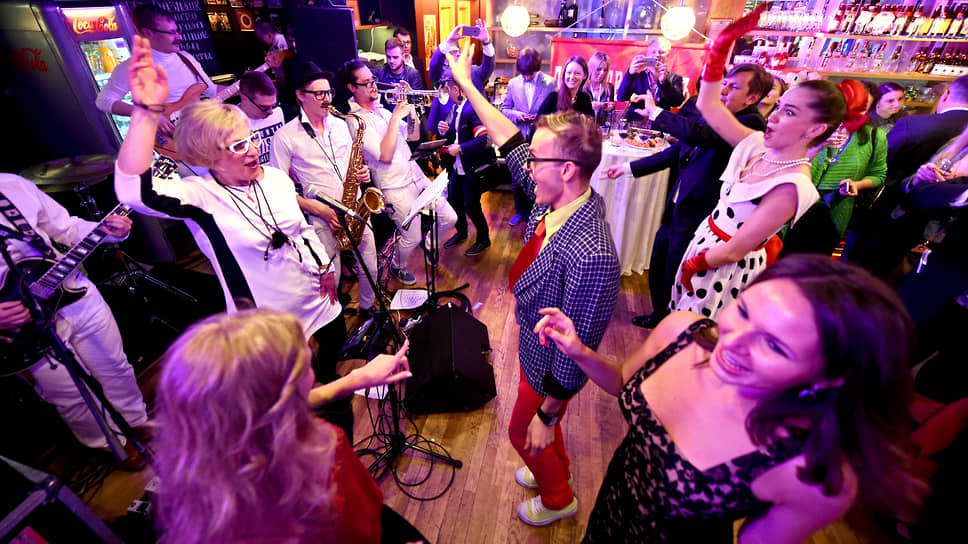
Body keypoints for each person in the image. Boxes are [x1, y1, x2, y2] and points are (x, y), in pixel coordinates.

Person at [533, 254, 926, 543]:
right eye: (745, 311)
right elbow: (624, 381)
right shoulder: (680, 333)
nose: (732, 342)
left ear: (828, 378)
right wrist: (580, 351)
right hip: (605, 520)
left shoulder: (809, 472)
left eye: (775, 345)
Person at [114, 36, 353, 440]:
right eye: (238, 145)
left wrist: (324, 266)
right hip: (268, 326)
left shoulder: (274, 178)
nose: (252, 150)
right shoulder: (199, 197)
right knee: (292, 413)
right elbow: (132, 192)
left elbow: (300, 231)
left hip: (319, 303)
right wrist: (146, 112)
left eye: (251, 138)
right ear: (209, 155)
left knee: (331, 385)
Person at [446, 41, 621, 526]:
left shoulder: (593, 254)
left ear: (566, 169)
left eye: (536, 160)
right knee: (539, 435)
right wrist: (467, 83)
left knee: (523, 433)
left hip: (550, 367)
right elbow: (509, 139)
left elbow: (578, 349)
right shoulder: (558, 198)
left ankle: (559, 498)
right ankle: (556, 467)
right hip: (533, 349)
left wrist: (548, 413)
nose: (525, 167)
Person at [154, 308, 426, 543]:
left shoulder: (191, 485)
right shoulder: (325, 451)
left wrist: (354, 380)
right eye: (305, 368)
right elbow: (365, 532)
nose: (312, 373)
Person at [668, 6, 836, 320]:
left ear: (816, 130)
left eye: (789, 112)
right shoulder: (757, 143)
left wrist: (694, 265)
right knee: (680, 322)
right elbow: (708, 104)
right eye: (779, 106)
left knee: (700, 333)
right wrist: (720, 49)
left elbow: (735, 249)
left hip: (723, 267)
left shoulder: (793, 184)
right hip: (704, 245)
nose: (773, 116)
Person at [604, 63, 773, 330]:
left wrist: (656, 112)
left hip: (701, 212)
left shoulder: (750, 124)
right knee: (659, 261)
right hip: (678, 202)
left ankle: (674, 327)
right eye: (724, 83)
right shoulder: (721, 115)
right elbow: (676, 151)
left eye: (733, 87)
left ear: (752, 98)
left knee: (677, 270)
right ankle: (660, 316)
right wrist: (627, 169)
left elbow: (699, 135)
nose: (723, 90)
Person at [0, 174, 148, 467]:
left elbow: (66, 227)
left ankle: (137, 420)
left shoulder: (10, 185)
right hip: (21, 327)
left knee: (115, 366)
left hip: (71, 289)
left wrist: (109, 231)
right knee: (71, 394)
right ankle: (109, 443)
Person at [270, 62, 378, 315]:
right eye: (319, 94)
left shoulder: (341, 124)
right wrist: (318, 209)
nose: (327, 99)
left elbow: (352, 163)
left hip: (355, 209)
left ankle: (368, 311)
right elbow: (279, 189)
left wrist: (362, 172)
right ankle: (333, 321)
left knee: (371, 268)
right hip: (322, 218)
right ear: (300, 95)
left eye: (329, 92)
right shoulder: (285, 137)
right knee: (332, 276)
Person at [340, 59, 458, 286]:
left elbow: (413, 135)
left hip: (416, 176)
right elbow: (384, 155)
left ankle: (430, 245)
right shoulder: (355, 121)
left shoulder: (383, 111)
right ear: (352, 87)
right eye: (366, 83)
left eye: (373, 80)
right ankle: (397, 265)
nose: (373, 86)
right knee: (411, 236)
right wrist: (396, 116)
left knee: (449, 216)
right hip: (394, 187)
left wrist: (411, 105)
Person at [95, 4, 217, 140]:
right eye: (171, 32)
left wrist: (236, 88)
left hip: (201, 135)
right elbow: (104, 101)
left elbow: (212, 91)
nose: (179, 37)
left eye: (178, 31)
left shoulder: (186, 58)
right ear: (148, 33)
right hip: (168, 141)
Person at [808, 79, 887, 238]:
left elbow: (878, 175)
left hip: (836, 208)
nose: (852, 113)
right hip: (798, 203)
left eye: (861, 108)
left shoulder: (874, 136)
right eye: (848, 105)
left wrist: (857, 184)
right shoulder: (812, 126)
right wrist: (817, 146)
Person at [439, 70, 495, 257]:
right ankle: (461, 232)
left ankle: (484, 240)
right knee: (454, 200)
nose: (447, 94)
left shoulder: (471, 109)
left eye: (448, 90)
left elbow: (484, 140)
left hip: (471, 168)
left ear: (456, 89)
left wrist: (460, 148)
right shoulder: (459, 108)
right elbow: (458, 134)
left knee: (472, 206)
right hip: (460, 166)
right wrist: (445, 131)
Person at [501, 48, 557, 226]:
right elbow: (504, 109)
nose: (526, 77)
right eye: (523, 74)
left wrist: (540, 119)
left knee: (539, 176)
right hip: (519, 137)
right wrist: (517, 115)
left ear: (537, 69)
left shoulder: (550, 83)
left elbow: (555, 112)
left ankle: (537, 213)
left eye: (530, 74)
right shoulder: (513, 83)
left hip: (541, 137)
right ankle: (520, 211)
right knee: (517, 177)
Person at [617, 38, 685, 122]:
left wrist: (664, 82)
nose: (657, 55)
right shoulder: (638, 77)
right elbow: (621, 97)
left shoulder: (674, 79)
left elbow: (677, 102)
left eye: (662, 52)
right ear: (647, 54)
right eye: (653, 52)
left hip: (659, 125)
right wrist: (630, 74)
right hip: (635, 124)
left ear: (668, 56)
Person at [428, 19, 495, 92]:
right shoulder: (441, 76)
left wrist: (486, 42)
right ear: (445, 61)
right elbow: (434, 65)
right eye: (452, 52)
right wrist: (448, 42)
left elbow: (488, 66)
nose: (458, 54)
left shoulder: (474, 71)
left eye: (458, 51)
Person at [238, 71, 285, 166]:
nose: (271, 112)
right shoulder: (230, 123)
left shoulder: (277, 112)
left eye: (273, 105)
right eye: (264, 107)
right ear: (244, 98)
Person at [375, 38, 426, 108]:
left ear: (403, 56)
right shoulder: (378, 73)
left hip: (406, 114)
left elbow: (420, 106)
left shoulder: (413, 74)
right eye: (388, 57)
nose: (391, 61)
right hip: (385, 114)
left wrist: (410, 97)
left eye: (395, 57)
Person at [584, 52, 615, 127]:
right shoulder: (582, 88)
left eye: (605, 70)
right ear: (591, 68)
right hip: (583, 130)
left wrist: (610, 109)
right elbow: (574, 114)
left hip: (601, 131)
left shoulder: (609, 88)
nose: (602, 73)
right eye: (598, 69)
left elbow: (611, 116)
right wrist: (589, 107)